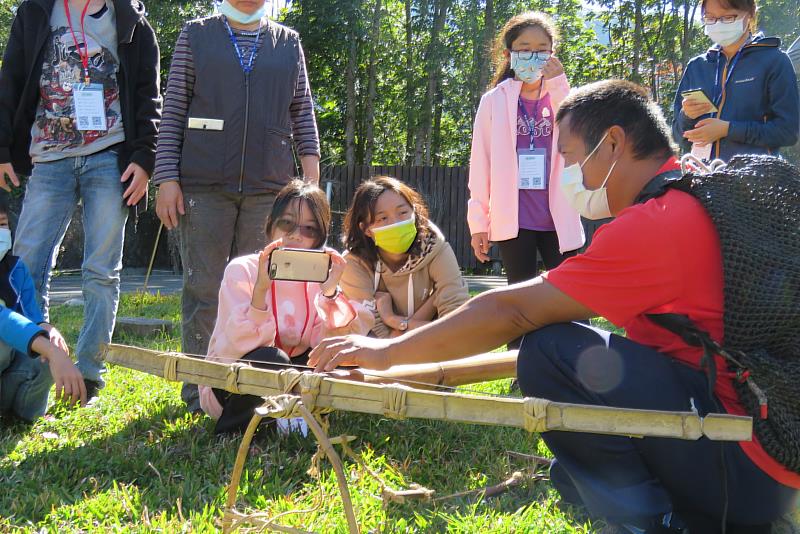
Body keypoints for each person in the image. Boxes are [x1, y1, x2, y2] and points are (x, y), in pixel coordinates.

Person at [310, 80, 799, 532]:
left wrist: (384, 355)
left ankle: (661, 522)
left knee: (549, 348)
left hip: (747, 467)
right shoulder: (695, 187)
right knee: (575, 475)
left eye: (568, 156)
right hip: (762, 444)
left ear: (612, 144)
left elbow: (514, 312)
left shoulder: (657, 223)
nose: (565, 173)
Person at [153, 0, 321, 411]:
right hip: (204, 185)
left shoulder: (289, 42)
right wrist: (166, 178)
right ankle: (199, 390)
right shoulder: (195, 34)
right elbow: (172, 110)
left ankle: (254, 388)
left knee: (263, 291)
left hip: (270, 189)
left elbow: (303, 111)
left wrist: (311, 182)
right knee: (204, 288)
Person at [0, 0, 162, 400]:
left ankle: (88, 376)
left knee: (101, 271)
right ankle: (32, 371)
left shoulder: (131, 16)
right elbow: (10, 80)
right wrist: (3, 148)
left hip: (111, 157)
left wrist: (144, 158)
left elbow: (148, 92)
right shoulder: (35, 11)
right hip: (48, 157)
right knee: (27, 266)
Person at [198, 180, 370, 434]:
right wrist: (261, 290)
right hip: (232, 383)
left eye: (309, 229)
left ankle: (289, 421)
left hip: (291, 377)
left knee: (343, 354)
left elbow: (330, 343)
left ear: (320, 238)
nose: (296, 235)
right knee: (272, 359)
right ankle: (237, 430)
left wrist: (331, 292)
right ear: (271, 223)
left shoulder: (318, 277)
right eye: (286, 223)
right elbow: (232, 350)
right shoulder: (243, 269)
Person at [468, 12, 584, 298]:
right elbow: (480, 166)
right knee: (519, 302)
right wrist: (478, 224)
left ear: (553, 54)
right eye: (524, 49)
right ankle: (522, 346)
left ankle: (579, 345)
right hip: (514, 220)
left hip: (559, 216)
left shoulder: (566, 95)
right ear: (508, 54)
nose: (533, 56)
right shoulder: (494, 100)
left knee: (572, 298)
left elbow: (581, 136)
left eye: (542, 50)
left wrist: (558, 84)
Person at [339, 177, 469, 339]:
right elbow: (375, 335)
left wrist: (393, 319)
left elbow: (457, 322)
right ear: (365, 229)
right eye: (383, 218)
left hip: (435, 352)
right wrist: (430, 304)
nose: (396, 223)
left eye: (403, 212)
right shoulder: (353, 264)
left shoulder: (436, 249)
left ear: (415, 213)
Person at [672, 0, 799, 162]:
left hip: (753, 181)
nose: (718, 24)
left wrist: (728, 130)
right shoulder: (697, 66)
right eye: (710, 18)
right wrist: (686, 116)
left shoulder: (775, 61)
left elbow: (788, 132)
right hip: (702, 179)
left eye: (728, 17)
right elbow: (677, 135)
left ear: (750, 14)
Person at [0, 197, 86, 421]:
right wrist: (50, 350)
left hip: (8, 374)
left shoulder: (16, 270)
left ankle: (26, 417)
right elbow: (3, 320)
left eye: (1, 225)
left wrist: (46, 328)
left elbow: (31, 316)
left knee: (44, 354)